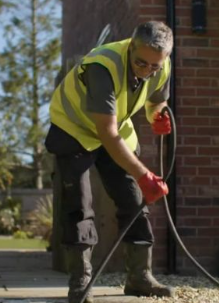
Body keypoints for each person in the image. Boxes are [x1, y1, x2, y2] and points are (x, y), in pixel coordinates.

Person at [45, 21, 175, 303]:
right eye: (141, 63)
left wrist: (157, 116)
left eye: (154, 66)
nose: (147, 71)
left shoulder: (160, 66)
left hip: (116, 130)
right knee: (78, 205)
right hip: (74, 129)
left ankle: (139, 278)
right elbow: (106, 132)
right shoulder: (102, 66)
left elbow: (155, 100)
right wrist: (144, 174)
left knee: (134, 200)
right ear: (130, 46)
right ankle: (80, 283)